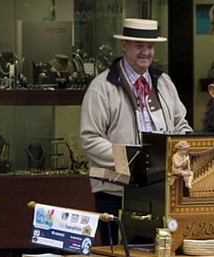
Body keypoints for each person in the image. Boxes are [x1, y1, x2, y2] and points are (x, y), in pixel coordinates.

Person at [80, 18, 192, 245]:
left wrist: (183, 149)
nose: (146, 52)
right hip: (116, 193)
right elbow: (89, 139)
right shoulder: (102, 87)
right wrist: (131, 160)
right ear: (124, 46)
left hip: (160, 193)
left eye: (150, 47)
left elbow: (182, 125)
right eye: (139, 46)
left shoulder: (164, 83)